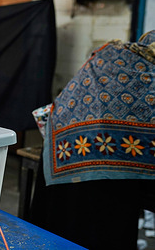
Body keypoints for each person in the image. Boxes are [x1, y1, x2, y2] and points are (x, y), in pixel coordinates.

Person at [29, 30, 155, 250]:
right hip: (104, 176)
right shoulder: (147, 77)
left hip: (62, 151)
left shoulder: (114, 57)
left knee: (56, 232)